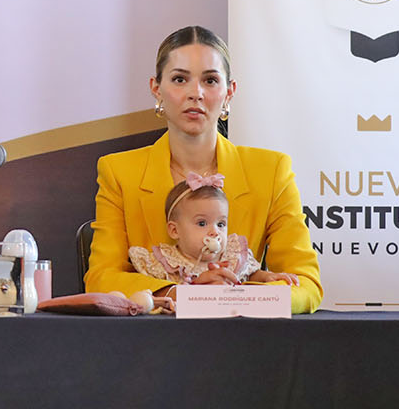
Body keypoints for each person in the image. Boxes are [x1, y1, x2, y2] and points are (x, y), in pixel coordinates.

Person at [85, 25, 322, 313]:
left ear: (229, 92)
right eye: (180, 79)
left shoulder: (272, 170)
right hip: (151, 336)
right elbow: (101, 279)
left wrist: (230, 296)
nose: (195, 93)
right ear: (156, 89)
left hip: (243, 332)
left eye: (210, 80)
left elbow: (306, 285)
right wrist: (187, 294)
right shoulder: (118, 171)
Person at [128, 173, 301, 286]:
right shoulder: (165, 265)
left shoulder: (233, 258)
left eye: (221, 224)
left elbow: (250, 275)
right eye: (202, 223)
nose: (215, 232)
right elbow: (155, 294)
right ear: (175, 231)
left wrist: (266, 277)